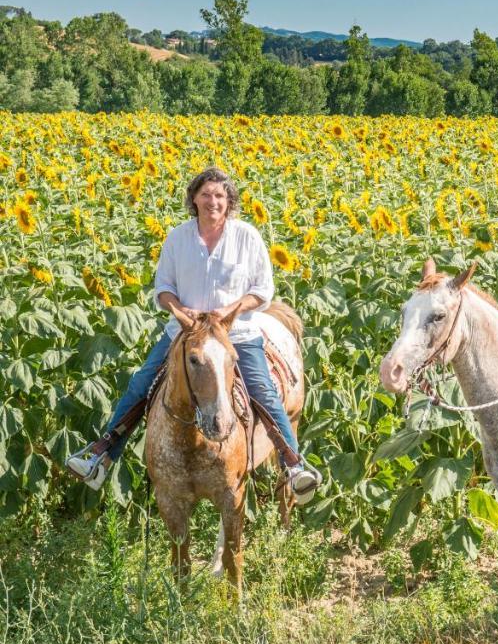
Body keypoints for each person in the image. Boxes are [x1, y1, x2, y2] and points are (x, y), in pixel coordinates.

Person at [65, 168, 322, 502]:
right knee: (142, 384)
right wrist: (179, 310)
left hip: (237, 333)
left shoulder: (247, 236)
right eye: (206, 195)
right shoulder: (178, 238)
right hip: (185, 334)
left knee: (263, 389)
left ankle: (292, 462)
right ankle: (102, 454)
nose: (213, 201)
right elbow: (164, 289)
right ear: (194, 199)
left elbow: (263, 290)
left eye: (219, 195)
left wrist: (232, 309)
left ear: (229, 201)